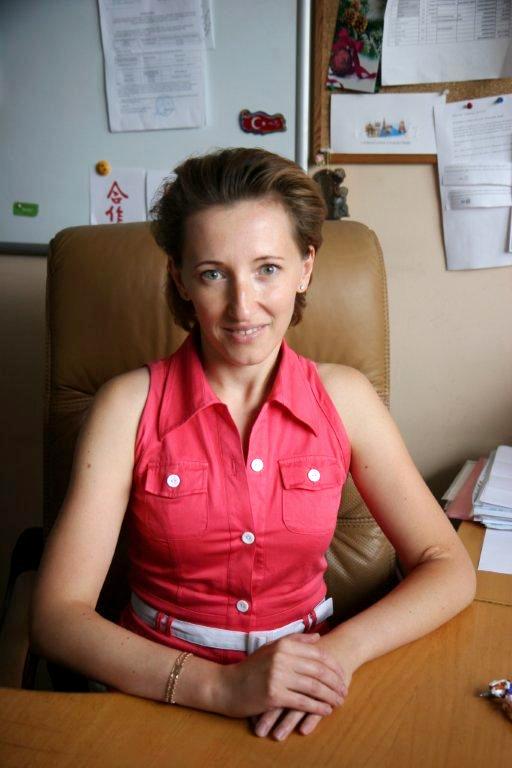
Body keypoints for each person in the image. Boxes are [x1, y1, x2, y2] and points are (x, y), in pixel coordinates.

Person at [30, 147, 476, 742]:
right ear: (180, 279)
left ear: (305, 268)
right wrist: (219, 687)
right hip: (156, 693)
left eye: (267, 268)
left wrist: (338, 654)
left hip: (306, 696)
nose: (244, 307)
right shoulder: (126, 406)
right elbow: (56, 617)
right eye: (213, 273)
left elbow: (448, 566)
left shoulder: (345, 398)